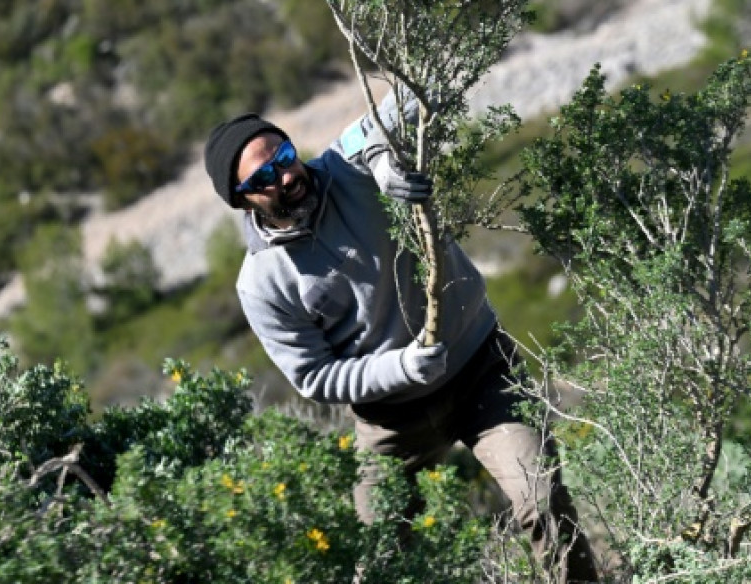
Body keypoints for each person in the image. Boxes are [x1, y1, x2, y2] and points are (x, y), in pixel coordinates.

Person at [204, 98, 599, 583]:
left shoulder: (342, 165)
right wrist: (403, 368)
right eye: (263, 178)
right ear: (242, 199)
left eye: (284, 157)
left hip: (481, 370)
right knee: (379, 561)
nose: (286, 177)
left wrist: (381, 161)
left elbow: (397, 104)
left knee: (544, 503)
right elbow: (314, 376)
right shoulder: (261, 282)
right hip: (391, 420)